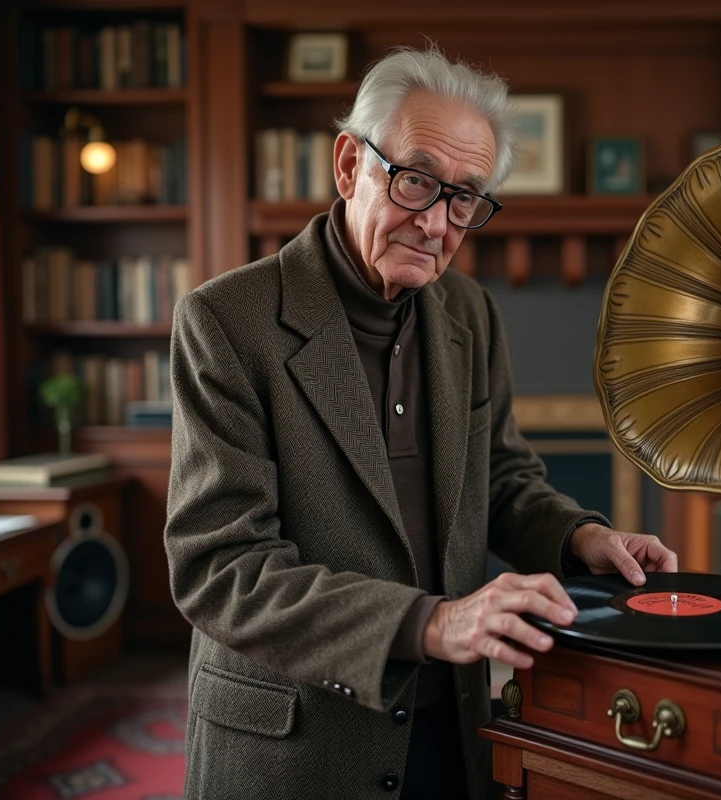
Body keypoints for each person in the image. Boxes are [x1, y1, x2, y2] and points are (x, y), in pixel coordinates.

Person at [164, 44, 678, 800]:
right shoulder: (224, 321)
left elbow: (502, 480)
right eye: (415, 181)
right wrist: (431, 624)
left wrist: (581, 537)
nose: (436, 222)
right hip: (294, 747)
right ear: (349, 166)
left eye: (464, 197)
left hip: (451, 726)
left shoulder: (470, 313)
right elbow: (221, 570)